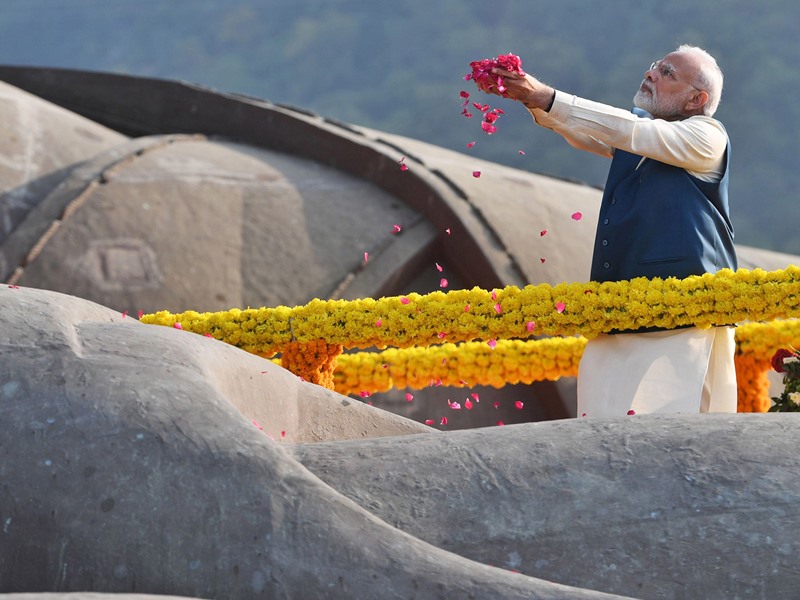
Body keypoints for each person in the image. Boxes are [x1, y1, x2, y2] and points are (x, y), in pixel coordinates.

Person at [487, 45, 738, 417]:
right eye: (654, 65)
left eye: (667, 73)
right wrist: (532, 100)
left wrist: (546, 96)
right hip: (619, 313)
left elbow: (629, 130)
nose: (651, 73)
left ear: (695, 100)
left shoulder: (707, 136)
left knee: (674, 435)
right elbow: (591, 131)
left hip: (683, 322)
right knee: (603, 430)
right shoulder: (640, 138)